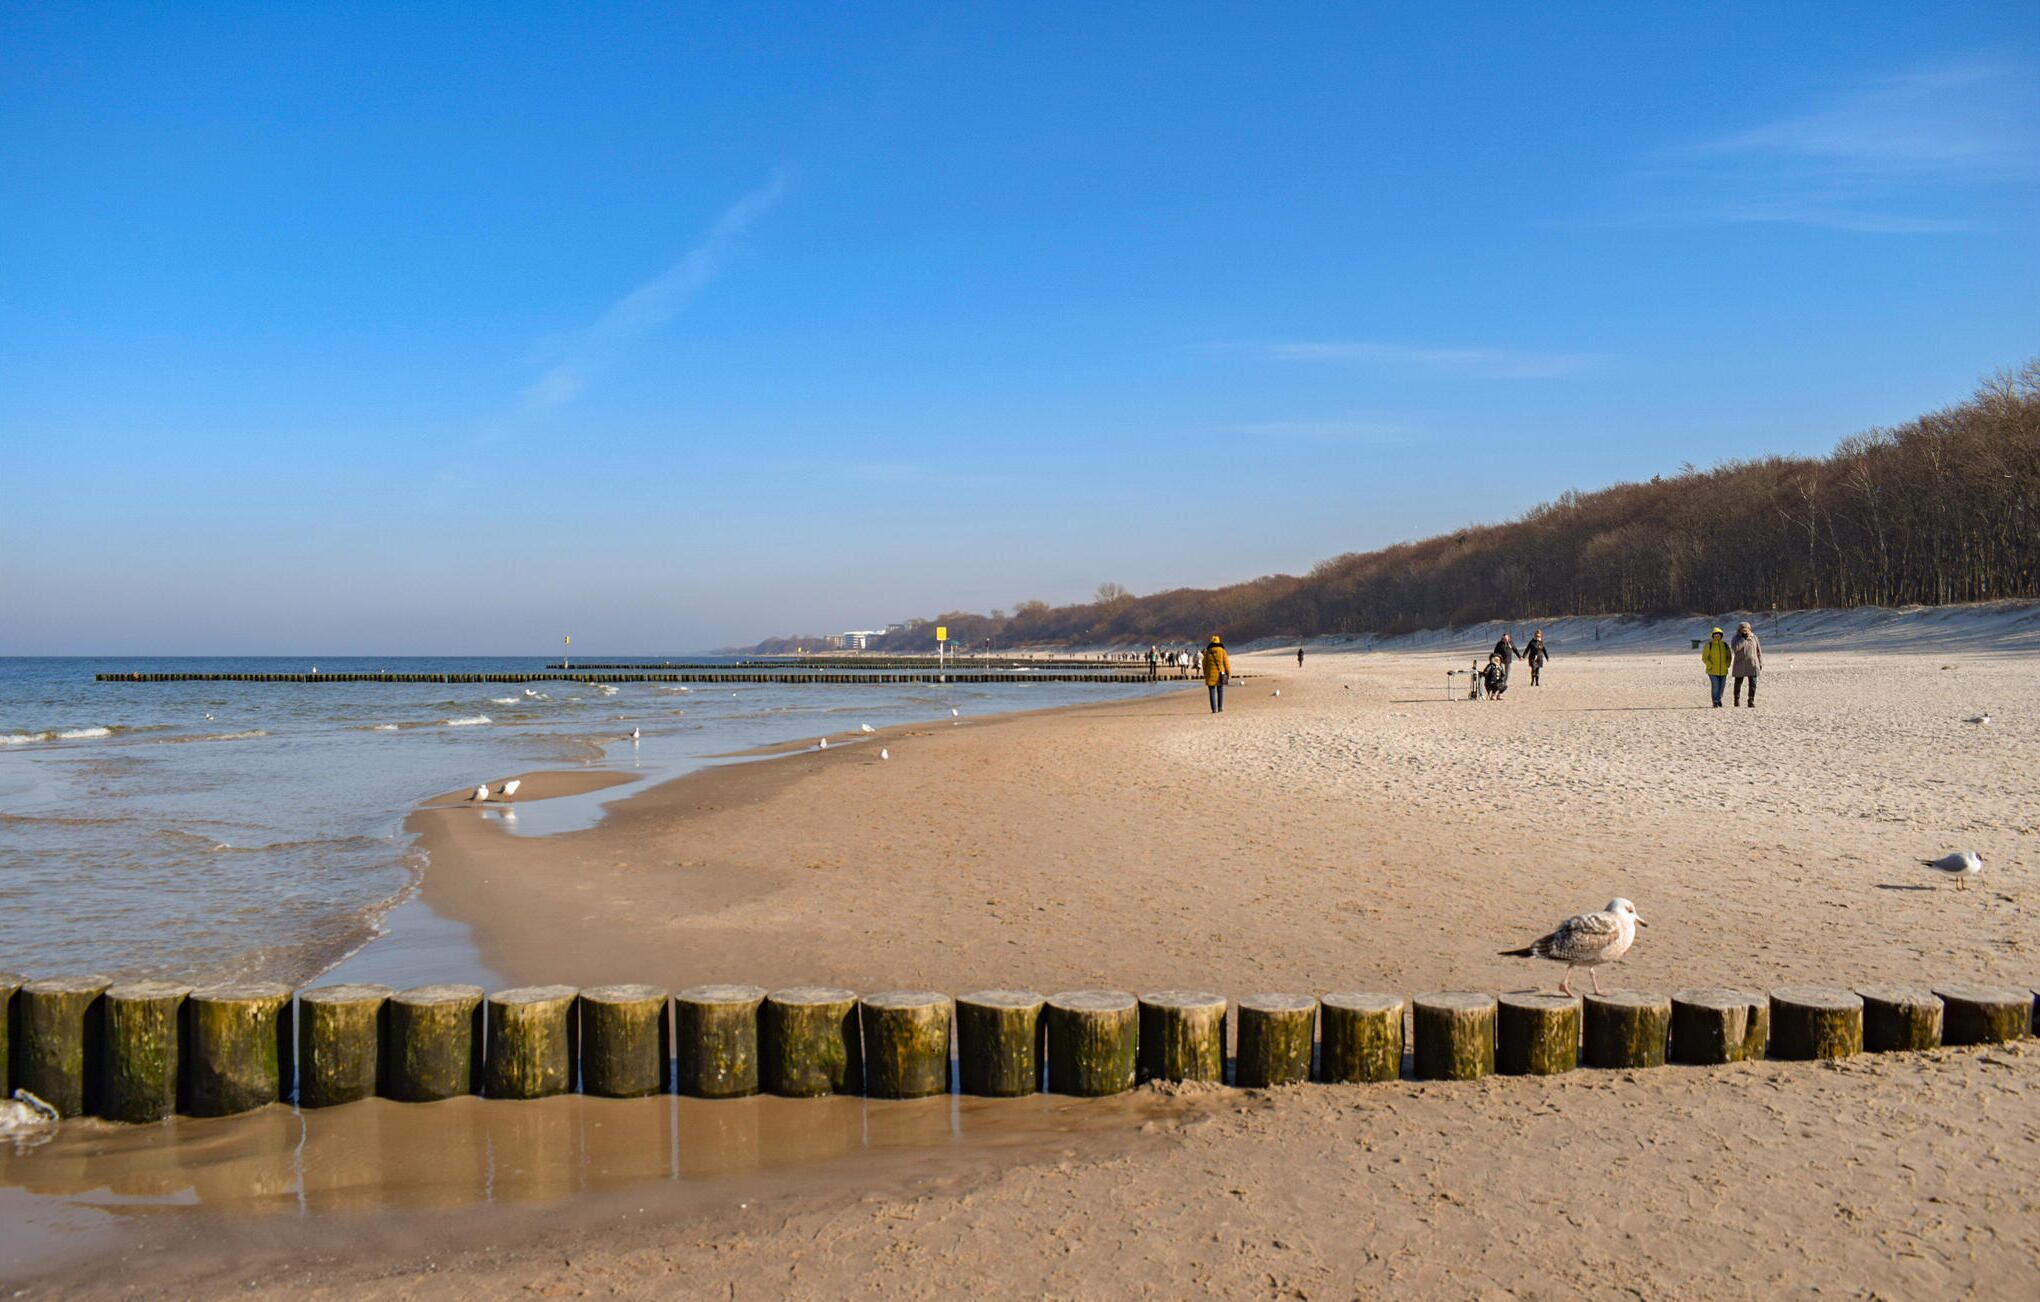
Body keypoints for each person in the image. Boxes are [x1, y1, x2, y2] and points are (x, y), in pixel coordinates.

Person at [1731, 620, 1763, 707]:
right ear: (1739, 630)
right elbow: (1735, 649)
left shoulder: (1754, 637)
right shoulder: (1736, 638)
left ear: (1749, 629)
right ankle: (1736, 699)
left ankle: (1751, 700)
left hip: (1752, 663)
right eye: (1743, 630)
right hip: (1740, 664)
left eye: (1746, 629)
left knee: (1753, 683)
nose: (1745, 631)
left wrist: (1760, 662)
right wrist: (1743, 639)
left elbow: (1758, 651)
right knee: (1738, 683)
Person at [1701, 627, 1731, 707]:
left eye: (1719, 635)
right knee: (1715, 686)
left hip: (1723, 670)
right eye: (1716, 635)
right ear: (1713, 636)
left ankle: (1719, 699)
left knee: (1722, 687)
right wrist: (1710, 665)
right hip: (1712, 671)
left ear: (1721, 636)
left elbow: (1729, 656)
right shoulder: (1709, 645)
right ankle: (1715, 701)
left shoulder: (1724, 645)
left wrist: (1727, 664)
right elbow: (1704, 658)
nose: (1717, 637)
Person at [1203, 634, 1231, 713]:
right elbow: (1226, 663)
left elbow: (1204, 664)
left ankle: (1214, 709)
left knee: (1211, 692)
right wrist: (1228, 673)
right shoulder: (1222, 651)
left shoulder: (1208, 652)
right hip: (1220, 674)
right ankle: (1220, 707)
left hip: (1210, 674)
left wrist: (1205, 673)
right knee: (1220, 691)